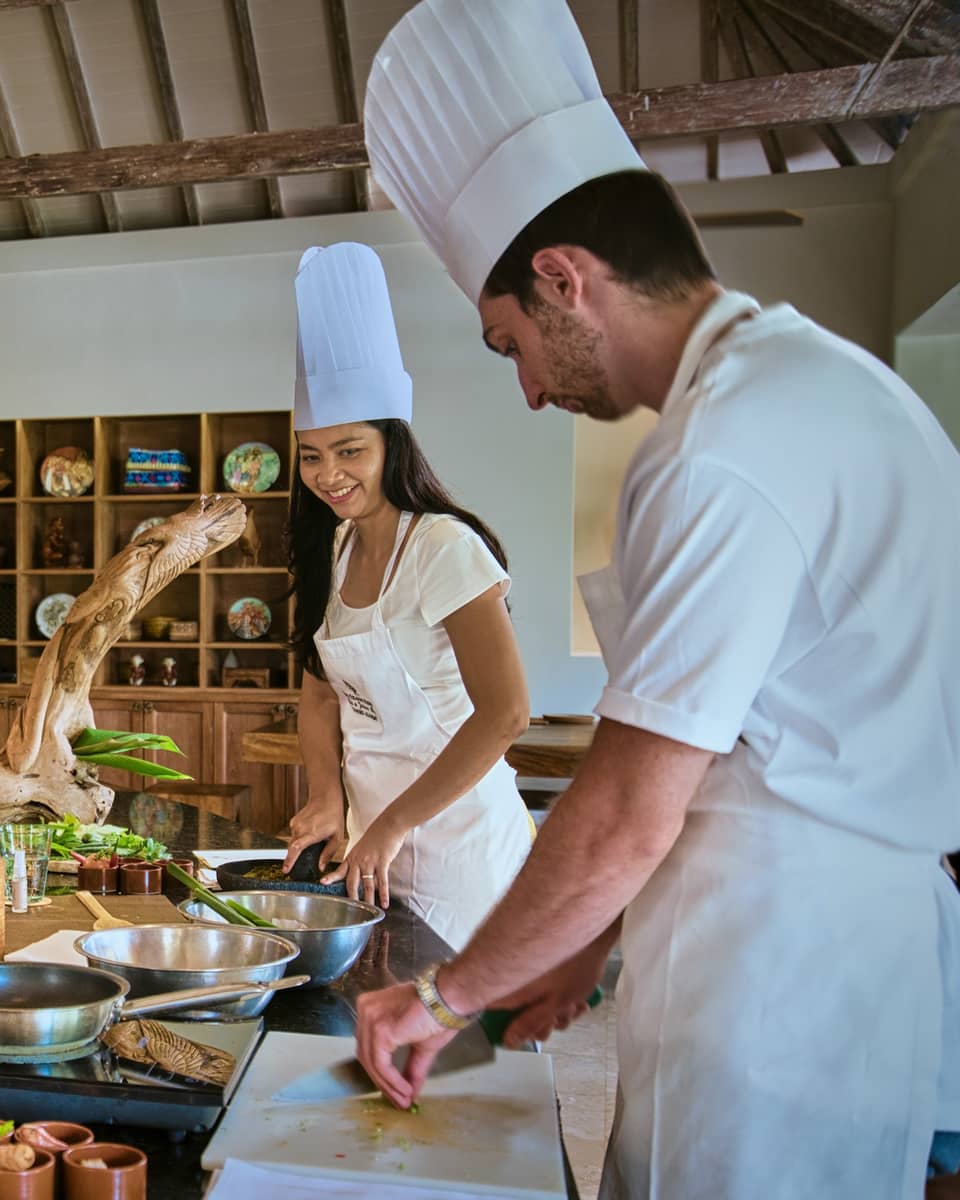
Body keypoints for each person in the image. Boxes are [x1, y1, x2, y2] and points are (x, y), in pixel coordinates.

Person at [354, 3, 960, 1198]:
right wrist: (581, 951)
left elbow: (634, 804)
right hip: (840, 969)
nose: (526, 391)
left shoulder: (722, 446)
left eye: (506, 343)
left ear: (564, 278)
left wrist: (444, 994)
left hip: (768, 981)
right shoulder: (835, 387)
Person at [282, 241, 532, 953]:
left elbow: (506, 713)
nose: (328, 474)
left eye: (349, 449)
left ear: (392, 444)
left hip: (458, 850)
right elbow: (321, 694)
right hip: (369, 848)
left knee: (466, 1041)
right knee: (386, 1025)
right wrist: (328, 796)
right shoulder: (333, 547)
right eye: (311, 454)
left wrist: (393, 824)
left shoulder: (444, 549)